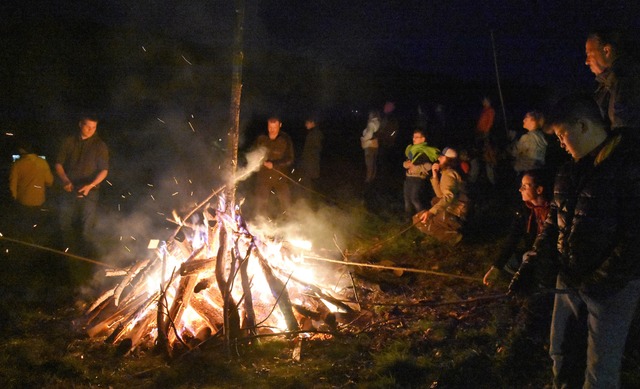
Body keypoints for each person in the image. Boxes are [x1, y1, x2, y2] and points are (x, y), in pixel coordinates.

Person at [509, 94, 640, 388]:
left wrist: (600, 280)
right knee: (561, 350)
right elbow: (553, 225)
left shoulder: (628, 165)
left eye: (562, 134)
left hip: (612, 290)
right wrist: (532, 263)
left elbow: (635, 237)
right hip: (568, 280)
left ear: (582, 126)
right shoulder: (567, 171)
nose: (560, 143)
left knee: (599, 368)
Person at [483, 169, 551, 286]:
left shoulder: (553, 210)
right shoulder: (525, 210)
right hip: (534, 251)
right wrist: (496, 267)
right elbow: (513, 238)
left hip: (550, 255)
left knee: (526, 259)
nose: (520, 190)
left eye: (525, 186)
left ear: (539, 189)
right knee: (509, 262)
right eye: (521, 186)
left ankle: (541, 284)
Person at [55, 115, 109, 257]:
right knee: (65, 221)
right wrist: (65, 180)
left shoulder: (99, 145)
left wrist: (90, 185)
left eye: (94, 127)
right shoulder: (68, 142)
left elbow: (104, 170)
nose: (91, 130)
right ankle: (65, 252)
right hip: (69, 189)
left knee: (87, 225)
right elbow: (58, 164)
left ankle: (85, 255)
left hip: (90, 191)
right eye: (88, 126)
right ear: (80, 124)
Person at [585, 29, 640, 130]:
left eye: (589, 54)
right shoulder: (606, 85)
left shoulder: (626, 79)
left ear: (607, 51)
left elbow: (624, 127)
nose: (586, 62)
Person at [414, 147, 469, 244]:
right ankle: (450, 233)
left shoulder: (449, 174)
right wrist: (435, 176)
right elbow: (440, 195)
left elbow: (448, 197)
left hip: (457, 212)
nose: (439, 158)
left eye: (442, 157)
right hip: (456, 209)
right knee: (433, 202)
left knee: (419, 219)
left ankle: (453, 237)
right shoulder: (447, 172)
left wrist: (431, 212)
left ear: (448, 160)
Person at [9, 143, 54, 238]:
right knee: (36, 224)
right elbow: (50, 181)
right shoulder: (42, 163)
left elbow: (12, 185)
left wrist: (12, 200)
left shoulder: (17, 164)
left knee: (23, 225)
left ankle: (24, 242)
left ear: (22, 150)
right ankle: (34, 241)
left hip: (23, 201)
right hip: (39, 200)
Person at [253, 116, 295, 218]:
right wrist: (258, 160)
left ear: (280, 125)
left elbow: (290, 159)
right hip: (263, 176)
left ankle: (288, 223)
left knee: (285, 202)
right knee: (261, 203)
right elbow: (254, 153)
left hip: (280, 176)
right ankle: (260, 224)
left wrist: (274, 164)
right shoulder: (261, 138)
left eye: (274, 127)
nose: (272, 130)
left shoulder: (285, 139)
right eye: (270, 127)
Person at [402, 129, 439, 216]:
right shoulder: (412, 150)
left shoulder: (426, 151)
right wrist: (406, 164)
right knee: (407, 198)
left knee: (414, 198)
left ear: (423, 139)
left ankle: (423, 218)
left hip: (418, 178)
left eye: (417, 137)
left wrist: (414, 167)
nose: (414, 139)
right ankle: (408, 218)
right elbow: (407, 162)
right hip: (409, 176)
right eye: (413, 137)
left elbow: (429, 166)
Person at [298, 115, 323, 193]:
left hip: (311, 164)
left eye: (307, 123)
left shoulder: (315, 134)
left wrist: (308, 163)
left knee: (309, 184)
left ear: (312, 123)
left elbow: (315, 149)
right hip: (309, 163)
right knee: (307, 183)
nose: (306, 125)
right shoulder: (312, 133)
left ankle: (309, 201)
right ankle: (307, 199)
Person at [360, 110, 380, 183]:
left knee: (369, 163)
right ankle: (373, 177)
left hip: (369, 144)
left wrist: (363, 138)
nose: (369, 115)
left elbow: (369, 135)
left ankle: (368, 179)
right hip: (375, 145)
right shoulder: (378, 122)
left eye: (370, 114)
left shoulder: (371, 123)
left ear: (372, 115)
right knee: (374, 162)